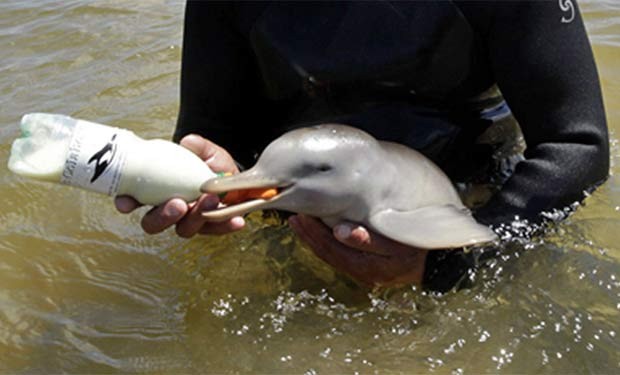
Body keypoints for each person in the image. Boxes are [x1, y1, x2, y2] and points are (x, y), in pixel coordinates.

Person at [115, 1, 609, 291]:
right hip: (299, 217)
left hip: (478, 212)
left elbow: (575, 145)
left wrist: (450, 266)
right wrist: (215, 185)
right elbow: (212, 127)